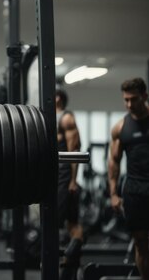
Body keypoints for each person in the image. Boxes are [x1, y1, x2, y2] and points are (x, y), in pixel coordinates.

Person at [108, 78, 149, 280]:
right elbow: (114, 162)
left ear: (145, 96)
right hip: (134, 189)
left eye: (134, 99)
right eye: (126, 100)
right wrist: (113, 193)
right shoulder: (120, 128)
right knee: (141, 242)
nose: (130, 104)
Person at [56, 89, 84, 253]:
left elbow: (74, 151)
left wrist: (73, 181)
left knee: (56, 222)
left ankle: (69, 261)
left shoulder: (66, 119)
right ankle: (71, 263)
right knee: (71, 222)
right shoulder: (51, 118)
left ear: (58, 98)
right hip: (55, 176)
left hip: (64, 177)